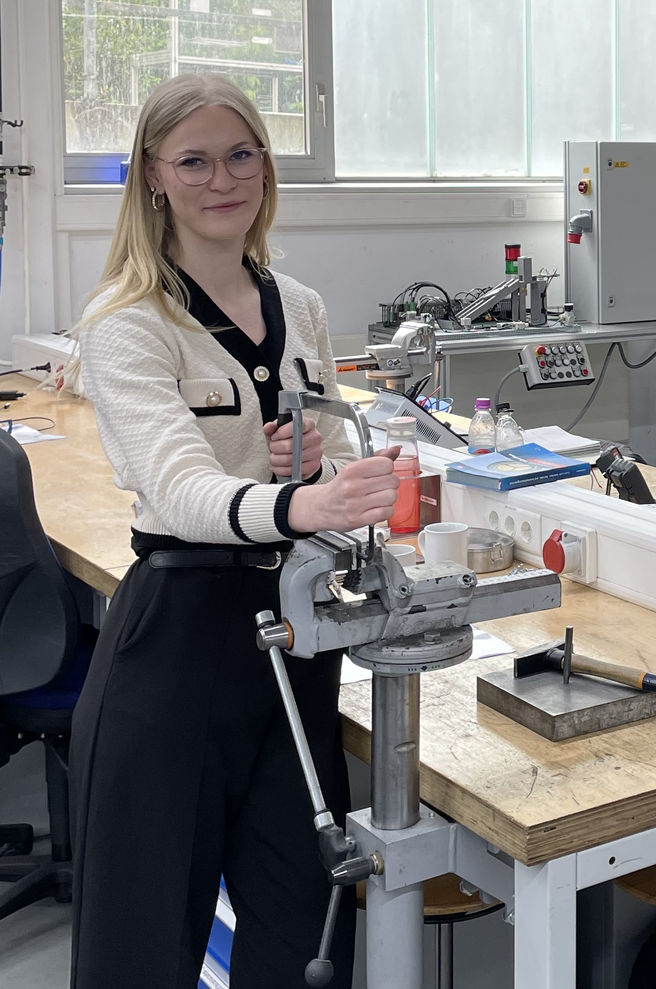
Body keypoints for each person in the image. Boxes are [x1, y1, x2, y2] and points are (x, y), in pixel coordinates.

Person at [66, 74, 402, 988]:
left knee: (305, 929)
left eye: (242, 153)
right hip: (178, 641)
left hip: (296, 636)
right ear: (153, 176)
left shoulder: (302, 306)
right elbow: (177, 490)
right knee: (142, 942)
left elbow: (327, 453)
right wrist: (298, 502)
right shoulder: (127, 323)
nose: (224, 178)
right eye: (196, 160)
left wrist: (320, 475)